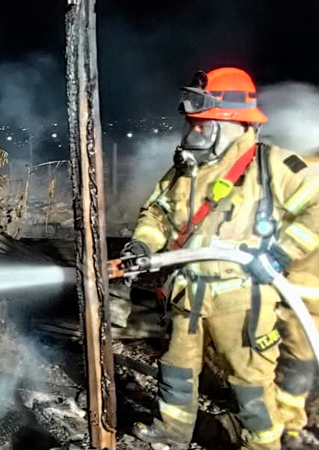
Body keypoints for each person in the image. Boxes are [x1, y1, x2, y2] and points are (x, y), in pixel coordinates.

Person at [125, 67, 319, 450]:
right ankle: (171, 432)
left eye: (202, 125)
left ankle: (262, 444)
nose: (193, 132)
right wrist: (143, 246)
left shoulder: (274, 166)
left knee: (250, 383)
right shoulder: (186, 170)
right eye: (192, 125)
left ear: (230, 124)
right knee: (176, 368)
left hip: (243, 299)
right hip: (187, 295)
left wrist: (282, 252)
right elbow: (157, 214)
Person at [275, 151, 319, 449]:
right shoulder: (303, 169)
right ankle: (288, 429)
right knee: (299, 365)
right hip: (304, 295)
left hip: (305, 292)